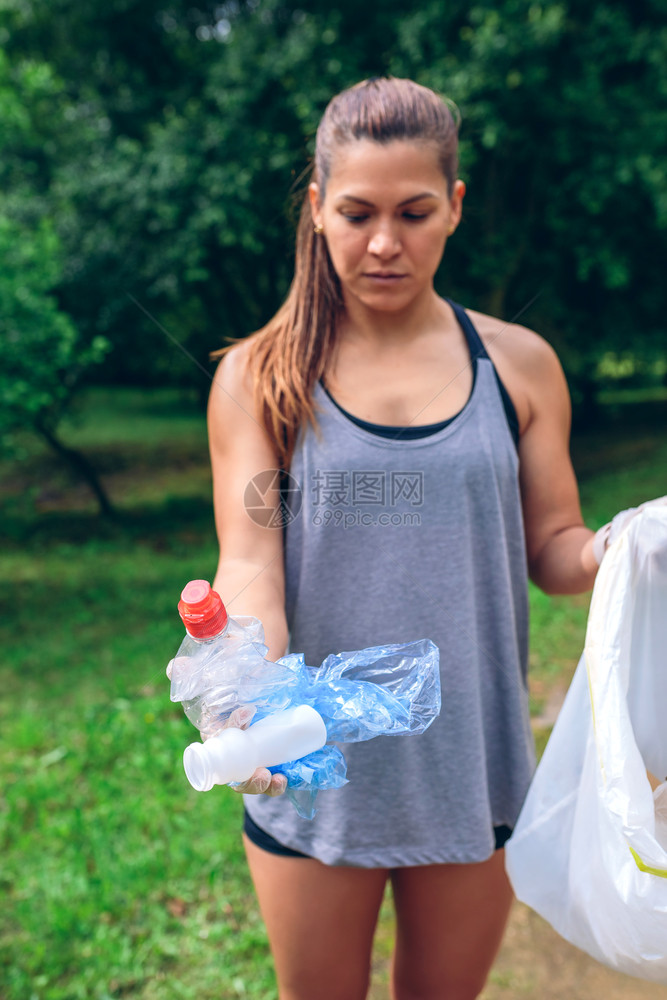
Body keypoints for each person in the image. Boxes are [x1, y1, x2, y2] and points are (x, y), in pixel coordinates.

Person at [205, 76, 650, 1000]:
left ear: (453, 207)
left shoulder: (517, 365)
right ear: (318, 208)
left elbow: (553, 548)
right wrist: (245, 694)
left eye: (412, 212)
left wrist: (621, 547)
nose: (382, 242)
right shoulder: (260, 376)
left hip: (470, 770)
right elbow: (249, 567)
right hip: (316, 766)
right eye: (357, 212)